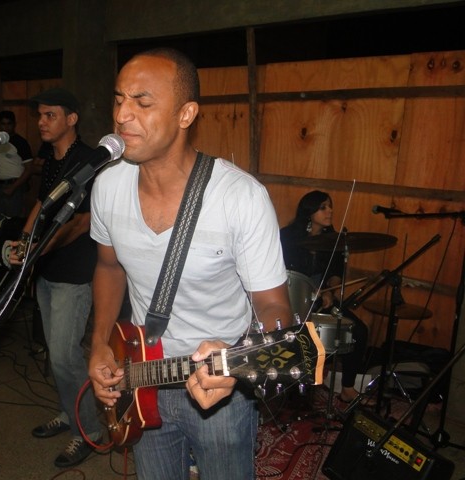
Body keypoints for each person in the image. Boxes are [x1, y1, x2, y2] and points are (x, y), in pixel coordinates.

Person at [87, 48, 293, 480]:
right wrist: (101, 341)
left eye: (142, 102)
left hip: (221, 384)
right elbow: (109, 267)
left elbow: (275, 308)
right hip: (141, 373)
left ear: (186, 114)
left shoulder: (240, 197)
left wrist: (240, 360)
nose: (122, 115)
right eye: (119, 99)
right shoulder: (106, 185)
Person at [9, 88, 102, 468]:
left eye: (50, 115)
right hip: (47, 270)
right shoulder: (50, 158)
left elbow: (81, 222)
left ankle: (90, 430)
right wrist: (24, 241)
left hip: (74, 273)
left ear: (71, 118)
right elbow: (41, 203)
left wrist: (39, 249)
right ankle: (69, 412)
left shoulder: (89, 160)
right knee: (55, 352)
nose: (41, 122)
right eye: (40, 115)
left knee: (65, 356)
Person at [279, 190, 370, 404]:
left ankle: (347, 389)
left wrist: (330, 290)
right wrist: (310, 290)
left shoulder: (334, 241)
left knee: (358, 330)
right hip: (292, 299)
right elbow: (282, 272)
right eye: (323, 207)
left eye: (330, 207)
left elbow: (335, 274)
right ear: (309, 212)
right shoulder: (287, 237)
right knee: (302, 337)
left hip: (321, 300)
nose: (329, 211)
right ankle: (293, 386)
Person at [0, 110, 33, 225]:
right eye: (3, 124)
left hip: (14, 185)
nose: (6, 127)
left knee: (12, 222)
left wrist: (13, 187)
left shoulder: (20, 142)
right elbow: (0, 164)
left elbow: (29, 169)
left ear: (14, 124)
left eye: (9, 124)